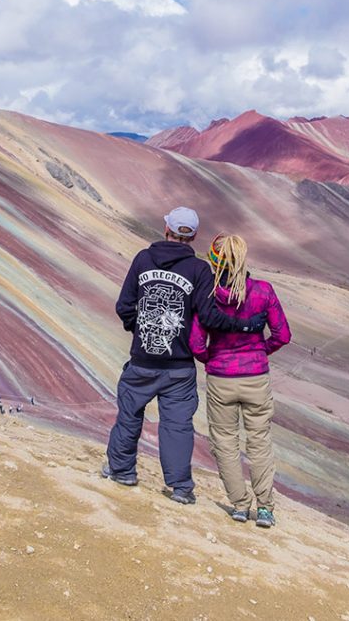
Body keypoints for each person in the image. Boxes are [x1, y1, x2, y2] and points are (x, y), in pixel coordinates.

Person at [103, 207, 267, 505]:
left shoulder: (143, 259)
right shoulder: (199, 270)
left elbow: (124, 306)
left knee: (129, 416)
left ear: (166, 228)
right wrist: (243, 325)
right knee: (177, 426)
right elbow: (209, 316)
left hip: (142, 361)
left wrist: (140, 330)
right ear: (192, 236)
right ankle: (180, 487)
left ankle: (122, 471)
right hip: (179, 367)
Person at [189, 233, 291, 528]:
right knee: (259, 442)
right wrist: (260, 351)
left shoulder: (207, 298)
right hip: (256, 378)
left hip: (221, 379)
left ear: (212, 260)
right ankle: (265, 509)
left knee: (225, 443)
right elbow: (283, 335)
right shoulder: (263, 291)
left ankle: (239, 505)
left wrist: (214, 360)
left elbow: (196, 344)